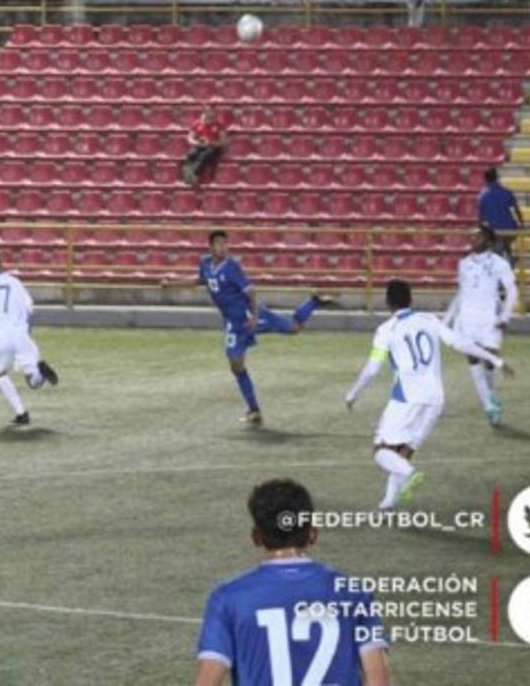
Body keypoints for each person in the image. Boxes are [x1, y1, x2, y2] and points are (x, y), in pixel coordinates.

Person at [194, 478, 391, 686]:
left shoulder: (228, 598)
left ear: (256, 537)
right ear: (313, 534)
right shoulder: (354, 593)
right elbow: (378, 678)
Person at [346, 279, 511, 509]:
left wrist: (353, 393)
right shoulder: (430, 319)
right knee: (402, 452)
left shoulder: (385, 330)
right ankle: (388, 502)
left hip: (406, 397)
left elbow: (372, 369)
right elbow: (459, 343)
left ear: (387, 302)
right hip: (435, 399)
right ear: (411, 299)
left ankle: (411, 474)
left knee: (381, 450)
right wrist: (496, 359)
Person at [163, 229, 333, 427]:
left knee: (294, 328)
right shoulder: (205, 264)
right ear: (211, 247)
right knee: (236, 365)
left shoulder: (232, 267)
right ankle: (254, 410)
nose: (223, 247)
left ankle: (313, 302)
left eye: (225, 244)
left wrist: (254, 316)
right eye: (219, 244)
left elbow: (251, 292)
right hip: (233, 324)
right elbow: (196, 281)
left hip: (247, 318)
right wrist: (171, 284)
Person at [0, 247, 60, 426]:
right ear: (0, 262)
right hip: (20, 332)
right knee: (33, 383)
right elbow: (29, 308)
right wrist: (27, 332)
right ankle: (39, 374)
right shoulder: (15, 281)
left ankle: (21, 412)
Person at [443, 225, 518, 426]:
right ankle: (488, 405)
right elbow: (461, 293)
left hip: (489, 318)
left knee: (490, 359)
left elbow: (511, 291)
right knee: (474, 359)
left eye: (478, 236)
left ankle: (491, 394)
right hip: (467, 319)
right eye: (471, 236)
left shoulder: (499, 263)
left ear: (488, 240)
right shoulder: (464, 263)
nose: (473, 239)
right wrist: (446, 320)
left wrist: (505, 317)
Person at [477, 167, 524, 260]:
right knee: (504, 246)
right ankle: (510, 259)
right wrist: (522, 223)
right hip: (510, 229)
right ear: (497, 177)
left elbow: (480, 218)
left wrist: (482, 230)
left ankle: (507, 261)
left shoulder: (482, 196)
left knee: (496, 250)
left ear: (485, 179)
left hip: (494, 231)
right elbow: (516, 210)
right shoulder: (507, 192)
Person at [182, 108, 229, 187]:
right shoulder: (197, 124)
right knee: (191, 153)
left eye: (211, 117)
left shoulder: (218, 125)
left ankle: (194, 174)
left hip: (214, 147)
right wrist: (197, 142)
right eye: (207, 117)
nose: (209, 119)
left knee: (205, 155)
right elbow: (190, 138)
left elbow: (223, 141)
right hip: (201, 145)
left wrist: (213, 143)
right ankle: (187, 173)